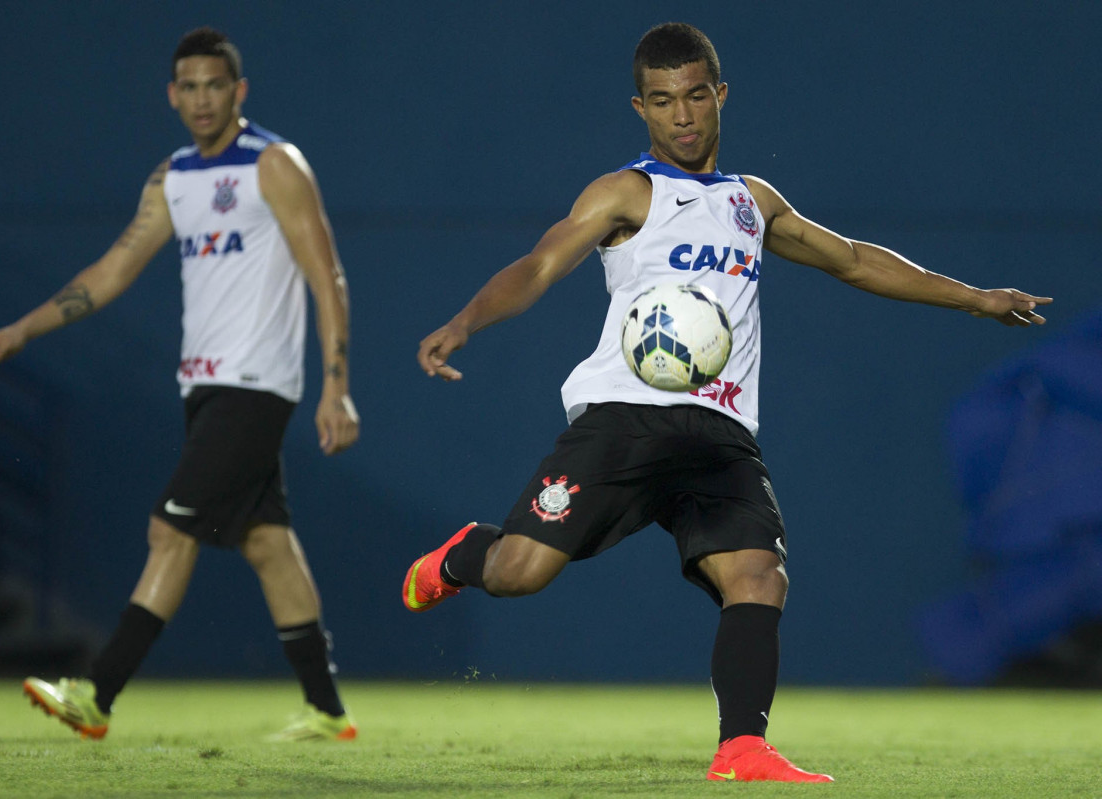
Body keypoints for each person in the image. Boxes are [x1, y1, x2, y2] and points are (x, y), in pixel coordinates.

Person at [402, 22, 1051, 783]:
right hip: (623, 419)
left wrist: (975, 298)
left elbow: (851, 260)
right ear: (640, 107)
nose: (682, 115)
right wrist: (465, 321)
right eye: (663, 100)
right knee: (520, 571)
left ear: (720, 96)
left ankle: (742, 746)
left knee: (758, 573)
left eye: (696, 96)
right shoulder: (627, 192)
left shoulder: (753, 202)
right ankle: (459, 557)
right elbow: (541, 263)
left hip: (719, 431)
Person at [0, 27, 360, 742]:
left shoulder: (274, 164)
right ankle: (327, 710)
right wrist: (25, 328)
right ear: (173, 95)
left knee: (168, 529)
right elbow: (112, 270)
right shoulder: (174, 178)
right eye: (190, 87)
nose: (203, 98)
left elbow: (326, 275)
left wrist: (335, 387)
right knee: (267, 542)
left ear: (238, 91)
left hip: (256, 385)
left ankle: (98, 692)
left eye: (217, 85)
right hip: (204, 389)